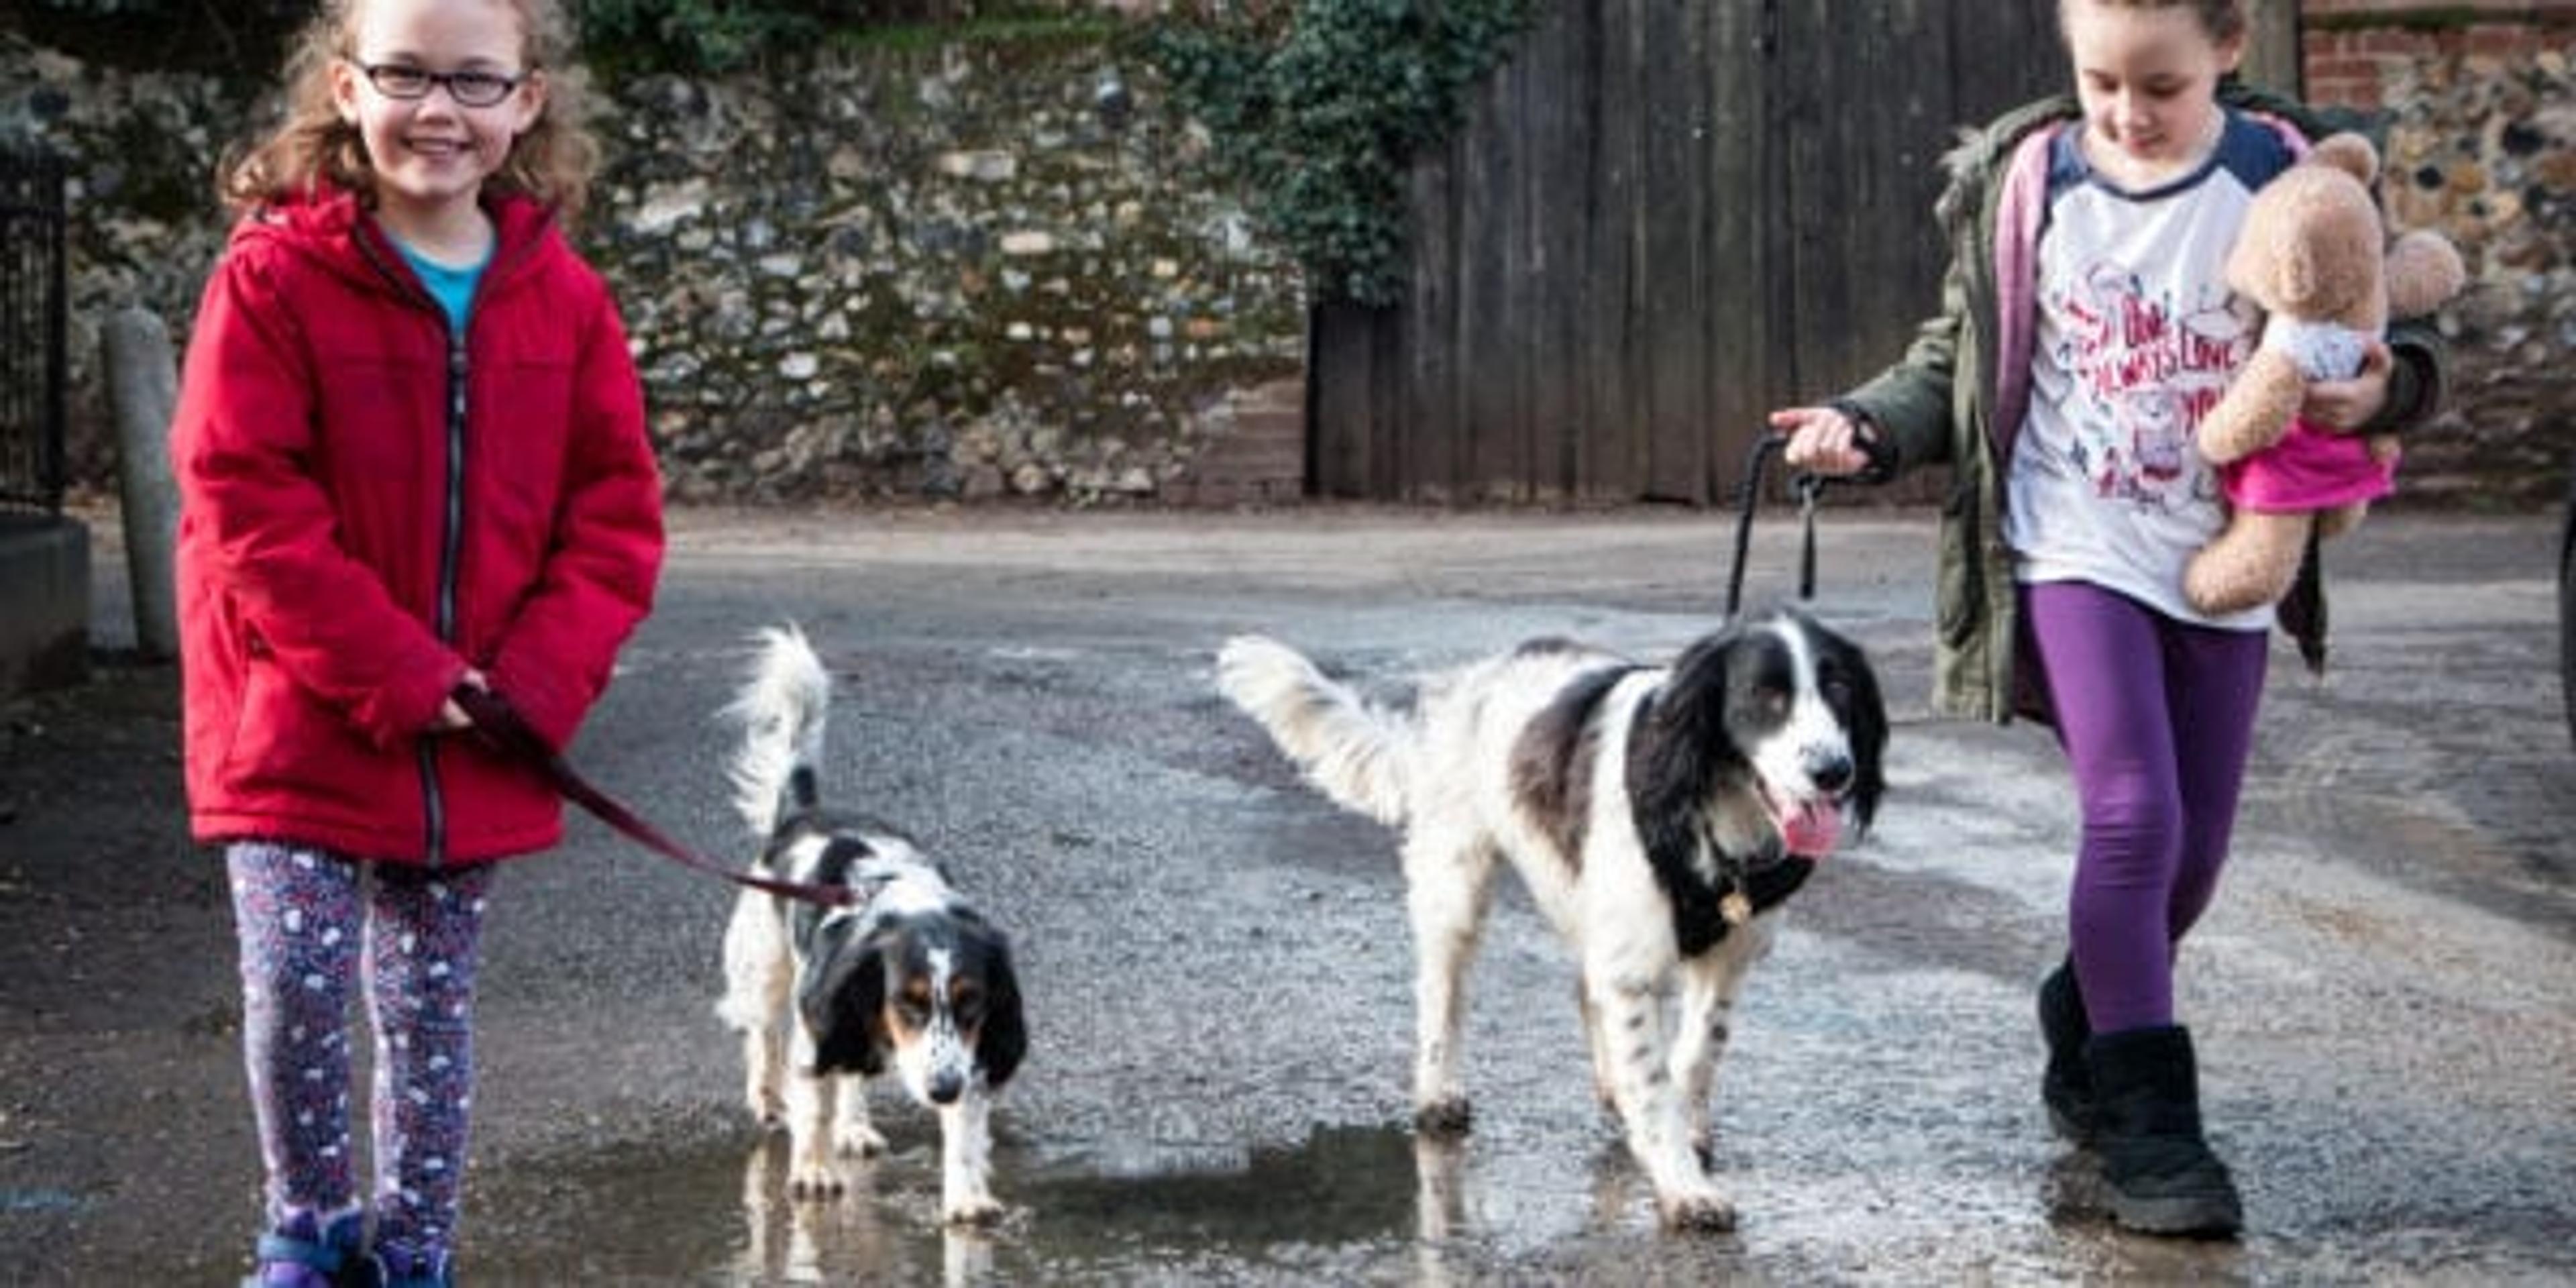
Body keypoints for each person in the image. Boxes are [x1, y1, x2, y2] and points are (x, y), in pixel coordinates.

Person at [1767, 0, 2446, 1238]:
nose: (2129, 114)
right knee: (2133, 818)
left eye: (2162, 86)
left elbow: (2387, 324)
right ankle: (2154, 1135)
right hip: (2073, 544)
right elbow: (1955, 353)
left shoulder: (2282, 173)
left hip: (2227, 557)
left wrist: (2383, 392)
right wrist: (1865, 423)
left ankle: (2086, 1013)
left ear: (2230, 51)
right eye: (2101, 83)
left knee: (2190, 862)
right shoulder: (2032, 181)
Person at [168, 0, 664, 1283]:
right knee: (298, 994)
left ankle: (415, 1249)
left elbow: (613, 518)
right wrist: (404, 675)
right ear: (345, 85)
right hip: (300, 721)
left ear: (527, 103)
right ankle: (309, 1226)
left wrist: (529, 689)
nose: (437, 109)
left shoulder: (563, 297)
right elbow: (242, 495)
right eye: (403, 74)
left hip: (481, 736)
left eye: (472, 81)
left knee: (433, 1011)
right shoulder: (273, 276)